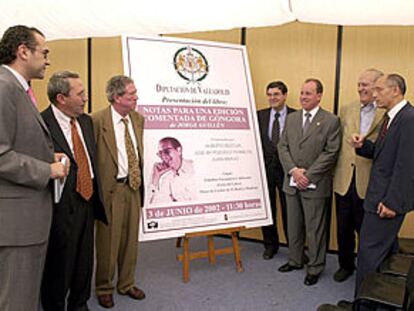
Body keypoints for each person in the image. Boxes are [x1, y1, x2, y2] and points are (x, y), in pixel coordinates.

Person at [0, 25, 68, 310]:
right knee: (17, 301)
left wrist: (48, 155)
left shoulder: (18, 88)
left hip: (24, 219)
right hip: (16, 223)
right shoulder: (4, 88)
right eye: (44, 52)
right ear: (23, 51)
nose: (48, 59)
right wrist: (47, 170)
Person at [40, 71, 108, 311]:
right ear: (61, 98)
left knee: (84, 258)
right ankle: (54, 305)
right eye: (80, 94)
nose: (86, 98)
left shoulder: (86, 121)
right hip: (59, 203)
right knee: (60, 261)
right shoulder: (41, 124)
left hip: (87, 199)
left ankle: (79, 303)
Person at [351, 74, 414, 298]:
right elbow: (384, 155)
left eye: (379, 89)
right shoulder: (391, 118)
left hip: (386, 203)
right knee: (385, 253)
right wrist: (363, 146)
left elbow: (407, 166)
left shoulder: (408, 119)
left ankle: (362, 304)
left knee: (368, 254)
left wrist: (392, 203)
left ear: (395, 90)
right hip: (379, 197)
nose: (374, 94)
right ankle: (382, 299)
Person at [277, 78, 341, 286]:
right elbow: (282, 146)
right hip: (292, 183)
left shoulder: (331, 121)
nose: (303, 97)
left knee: (315, 230)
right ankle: (295, 260)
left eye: (308, 93)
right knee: (293, 226)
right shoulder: (292, 118)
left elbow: (331, 152)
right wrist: (294, 171)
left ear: (319, 96)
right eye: (302, 92)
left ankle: (314, 267)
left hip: (315, 185)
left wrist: (308, 175)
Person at [92, 75, 145, 308]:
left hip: (133, 187)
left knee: (130, 241)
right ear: (116, 97)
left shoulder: (138, 119)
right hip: (110, 190)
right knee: (108, 243)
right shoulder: (96, 121)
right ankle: (104, 287)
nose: (136, 97)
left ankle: (126, 283)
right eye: (131, 94)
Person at [332, 69, 384, 282]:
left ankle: (367, 272)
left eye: (366, 85)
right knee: (343, 227)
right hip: (344, 179)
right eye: (359, 84)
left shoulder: (385, 113)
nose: (361, 88)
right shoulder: (346, 109)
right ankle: (345, 265)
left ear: (377, 87)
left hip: (368, 180)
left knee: (366, 231)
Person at [257, 81, 295, 260]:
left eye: (276, 94)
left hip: (288, 172)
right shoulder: (260, 116)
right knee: (268, 210)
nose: (272, 98)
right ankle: (270, 245)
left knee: (291, 212)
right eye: (270, 94)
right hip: (265, 171)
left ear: (285, 95)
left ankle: (293, 247)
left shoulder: (296, 116)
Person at [148, 136, 196, 205]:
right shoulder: (165, 179)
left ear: (179, 150)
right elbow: (151, 204)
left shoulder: (194, 168)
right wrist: (155, 179)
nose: (163, 157)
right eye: (160, 153)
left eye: (167, 151)